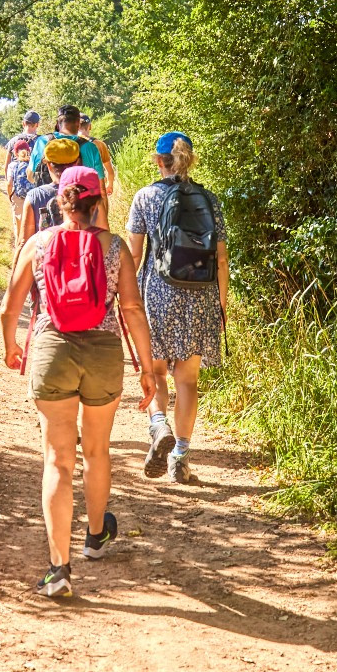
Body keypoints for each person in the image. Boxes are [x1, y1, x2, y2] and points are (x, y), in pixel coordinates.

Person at [0, 166, 160, 597]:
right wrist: (147, 369)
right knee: (96, 450)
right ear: (97, 202)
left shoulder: (37, 244)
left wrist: (12, 346)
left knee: (57, 459)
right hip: (104, 353)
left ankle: (59, 569)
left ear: (60, 201)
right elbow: (131, 310)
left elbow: (9, 308)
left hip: (52, 349)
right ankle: (94, 536)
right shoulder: (115, 247)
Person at [125, 132, 228, 484]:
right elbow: (222, 258)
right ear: (189, 159)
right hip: (201, 297)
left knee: (155, 372)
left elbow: (134, 255)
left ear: (159, 160)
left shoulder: (145, 196)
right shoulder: (209, 200)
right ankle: (180, 457)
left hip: (158, 293)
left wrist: (125, 298)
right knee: (188, 379)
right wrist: (221, 308)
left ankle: (158, 426)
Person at [17, 136, 80, 246]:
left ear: (49, 165)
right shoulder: (90, 195)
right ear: (77, 163)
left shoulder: (35, 196)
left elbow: (23, 242)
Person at [28, 105, 106, 185]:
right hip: (78, 196)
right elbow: (100, 184)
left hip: (47, 196)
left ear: (58, 124)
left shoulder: (43, 141)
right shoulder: (90, 147)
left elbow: (30, 176)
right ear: (78, 125)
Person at [5, 112, 42, 245]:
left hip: (18, 193)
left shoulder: (14, 141)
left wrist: (11, 193)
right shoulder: (42, 141)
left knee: (20, 227)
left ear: (23, 123)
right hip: (37, 192)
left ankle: (20, 256)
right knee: (36, 227)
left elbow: (7, 165)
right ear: (37, 124)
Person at [77, 114, 117, 196]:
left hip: (76, 190)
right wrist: (110, 185)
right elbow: (110, 171)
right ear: (90, 126)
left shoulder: (70, 143)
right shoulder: (99, 144)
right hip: (95, 190)